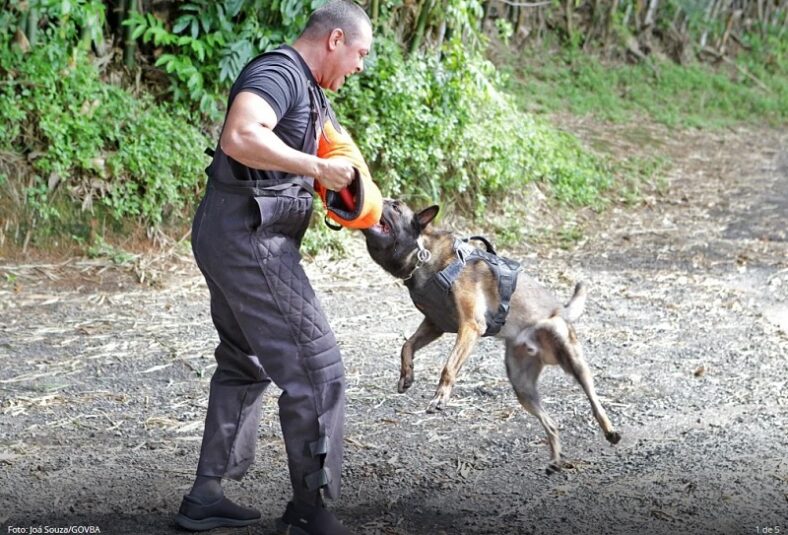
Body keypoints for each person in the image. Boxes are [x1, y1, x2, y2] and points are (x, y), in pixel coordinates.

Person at [175, 2, 373, 533]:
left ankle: (205, 497)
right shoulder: (279, 72)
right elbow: (240, 135)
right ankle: (312, 511)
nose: (359, 67)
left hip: (230, 231)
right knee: (317, 368)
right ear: (335, 40)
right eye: (360, 53)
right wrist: (315, 168)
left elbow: (337, 168)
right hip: (249, 239)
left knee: (244, 361)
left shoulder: (310, 90)